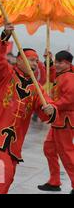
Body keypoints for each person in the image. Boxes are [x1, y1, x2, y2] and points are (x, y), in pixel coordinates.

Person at [0, 23, 57, 194]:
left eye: (36, 61)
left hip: (14, 143)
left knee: (6, 179)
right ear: (19, 60)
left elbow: (45, 107)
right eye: (31, 59)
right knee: (2, 176)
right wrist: (4, 37)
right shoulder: (5, 74)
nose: (35, 63)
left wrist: (50, 109)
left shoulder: (36, 87)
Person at [38, 50, 74, 194]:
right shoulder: (62, 74)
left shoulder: (69, 77)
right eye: (57, 62)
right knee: (49, 148)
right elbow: (52, 75)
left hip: (65, 120)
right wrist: (49, 61)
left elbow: (70, 98)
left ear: (67, 63)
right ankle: (54, 181)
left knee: (66, 152)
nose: (57, 65)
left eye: (59, 62)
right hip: (58, 120)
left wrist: (54, 106)